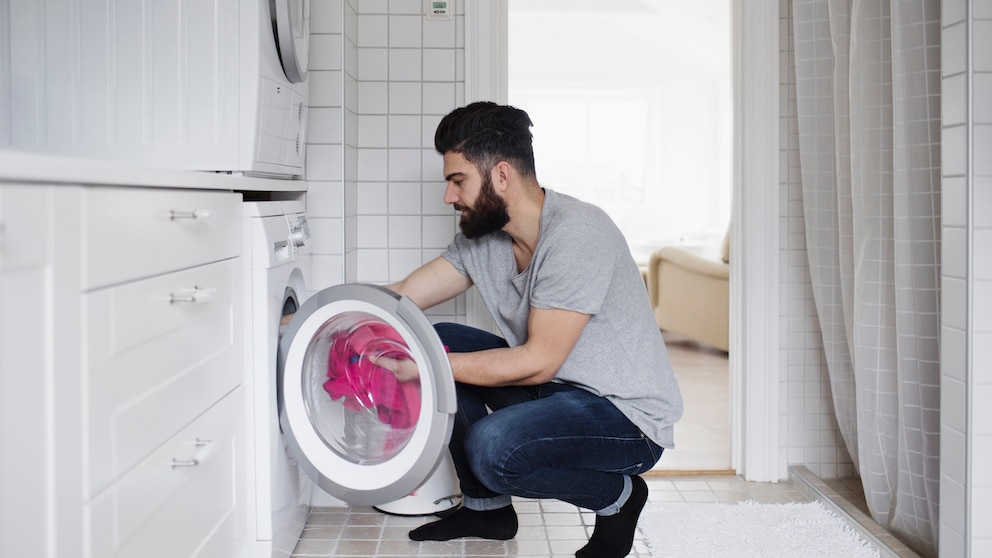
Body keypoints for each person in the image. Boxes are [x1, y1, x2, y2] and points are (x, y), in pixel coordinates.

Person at [387, 101, 683, 558]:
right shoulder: (482, 239)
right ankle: (488, 512)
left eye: (457, 180)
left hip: (625, 418)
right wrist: (316, 315)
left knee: (493, 448)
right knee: (440, 336)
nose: (449, 196)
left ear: (501, 176)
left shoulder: (578, 233)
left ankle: (621, 500)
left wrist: (424, 366)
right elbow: (406, 293)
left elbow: (538, 361)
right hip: (563, 391)